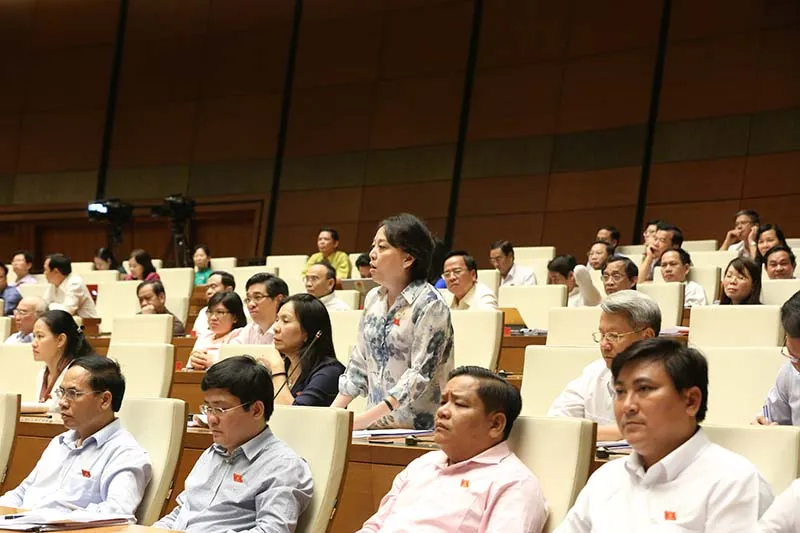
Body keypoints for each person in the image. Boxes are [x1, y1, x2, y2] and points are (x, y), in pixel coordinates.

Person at [556, 338, 772, 532]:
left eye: (644, 389)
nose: (628, 405)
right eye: (620, 392)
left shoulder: (733, 481)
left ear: (691, 401)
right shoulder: (607, 478)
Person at [357, 366, 548, 533]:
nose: (442, 411)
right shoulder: (422, 465)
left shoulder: (514, 484)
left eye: (460, 404)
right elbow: (375, 526)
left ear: (496, 424)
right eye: (443, 402)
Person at [154, 356, 313, 533]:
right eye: (208, 408)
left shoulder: (283, 466)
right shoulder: (212, 453)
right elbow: (182, 512)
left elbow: (272, 530)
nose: (211, 419)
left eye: (220, 409)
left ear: (256, 410)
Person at [332, 213, 455, 430]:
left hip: (417, 429)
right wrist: (332, 414)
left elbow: (420, 375)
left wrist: (363, 420)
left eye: (382, 247)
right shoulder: (373, 299)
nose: (372, 254)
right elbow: (359, 363)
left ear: (408, 259)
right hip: (372, 427)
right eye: (373, 246)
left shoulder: (430, 304)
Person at [0, 356, 152, 514]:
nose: (62, 402)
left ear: (104, 400)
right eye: (62, 392)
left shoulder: (125, 454)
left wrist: (54, 520)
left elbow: (117, 512)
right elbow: (22, 493)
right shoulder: (59, 443)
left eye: (73, 393)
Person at [548, 290, 660, 441]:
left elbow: (656, 430)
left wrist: (586, 432)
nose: (604, 345)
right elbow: (556, 423)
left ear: (646, 337)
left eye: (614, 336)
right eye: (602, 335)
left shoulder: (670, 381)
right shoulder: (594, 372)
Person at [260, 294, 345, 407]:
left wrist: (277, 370)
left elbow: (296, 415)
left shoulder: (331, 373)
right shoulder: (284, 365)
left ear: (308, 331)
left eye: (285, 321)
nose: (275, 328)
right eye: (277, 320)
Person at [33, 310, 96, 411]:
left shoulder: (78, 375)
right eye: (34, 336)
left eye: (40, 336)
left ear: (60, 340)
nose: (33, 343)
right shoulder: (41, 374)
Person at [754, 292, 800, 426]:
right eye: (794, 357)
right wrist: (762, 421)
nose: (798, 367)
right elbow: (768, 414)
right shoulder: (788, 373)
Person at [187, 292, 247, 370]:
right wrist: (194, 362)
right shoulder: (204, 337)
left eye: (220, 312)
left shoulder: (240, 336)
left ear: (235, 317)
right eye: (210, 312)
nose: (213, 318)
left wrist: (213, 362)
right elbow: (189, 367)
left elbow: (236, 368)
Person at [231, 272, 289, 345]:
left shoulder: (287, 331)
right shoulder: (251, 329)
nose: (251, 304)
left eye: (257, 297)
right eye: (248, 299)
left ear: (278, 299)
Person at [42, 254, 99, 318]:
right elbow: (43, 305)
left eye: (45, 270)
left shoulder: (75, 283)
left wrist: (51, 305)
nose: (44, 273)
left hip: (87, 323)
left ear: (56, 272)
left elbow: (67, 311)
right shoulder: (53, 284)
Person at [192, 271, 235, 337]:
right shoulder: (203, 311)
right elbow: (194, 335)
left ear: (229, 290)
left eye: (213, 286)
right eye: (207, 288)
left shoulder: (241, 311)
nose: (208, 292)